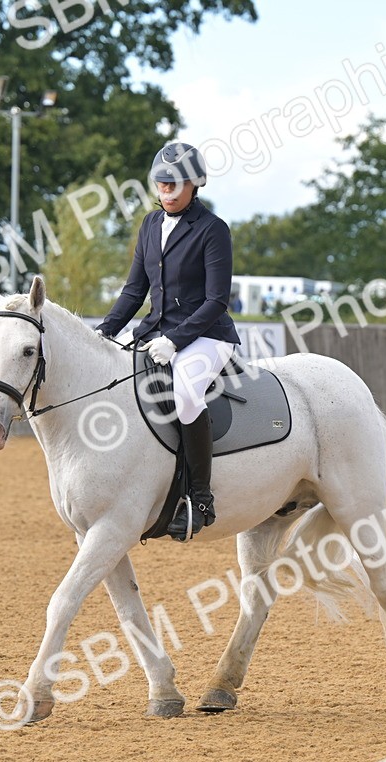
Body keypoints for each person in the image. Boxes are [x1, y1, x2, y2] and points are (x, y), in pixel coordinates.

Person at [96, 142, 240, 539]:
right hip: (157, 331)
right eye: (162, 184)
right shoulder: (149, 225)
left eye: (177, 185)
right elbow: (133, 291)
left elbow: (217, 301)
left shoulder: (213, 230)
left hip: (207, 334)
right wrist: (104, 332)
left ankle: (200, 498)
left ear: (195, 185)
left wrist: (176, 340)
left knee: (188, 392)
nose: (169, 193)